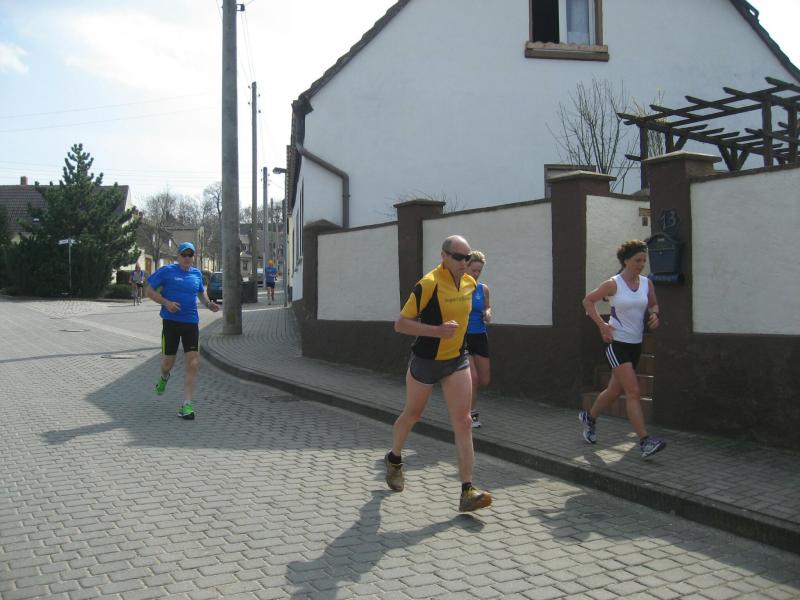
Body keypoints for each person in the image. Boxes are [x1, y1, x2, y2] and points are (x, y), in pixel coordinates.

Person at [385, 235, 492, 512]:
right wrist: (437, 331)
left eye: (467, 257)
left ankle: (467, 491)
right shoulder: (428, 284)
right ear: (444, 256)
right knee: (413, 414)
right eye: (458, 257)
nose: (464, 262)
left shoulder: (470, 283)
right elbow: (400, 324)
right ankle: (394, 459)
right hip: (426, 361)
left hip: (456, 360)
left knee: (464, 421)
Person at [579, 239, 666, 458]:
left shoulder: (647, 283)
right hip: (616, 344)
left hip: (635, 345)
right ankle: (645, 441)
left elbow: (653, 304)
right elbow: (588, 301)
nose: (641, 264)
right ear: (626, 261)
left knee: (614, 390)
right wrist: (602, 325)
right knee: (633, 391)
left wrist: (655, 315)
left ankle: (589, 417)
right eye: (637, 260)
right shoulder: (613, 284)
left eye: (644, 260)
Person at [146, 242, 220, 420]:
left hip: (191, 323)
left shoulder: (196, 274)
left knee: (193, 363)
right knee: (167, 364)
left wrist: (208, 304)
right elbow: (148, 290)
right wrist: (166, 303)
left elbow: (201, 293)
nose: (187, 258)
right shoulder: (167, 271)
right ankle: (164, 377)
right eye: (184, 255)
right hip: (171, 323)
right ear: (178, 256)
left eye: (190, 255)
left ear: (194, 257)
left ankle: (187, 405)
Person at [465, 251, 491, 429]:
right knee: (472, 378)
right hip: (463, 336)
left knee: (484, 380)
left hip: (480, 335)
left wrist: (487, 313)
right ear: (465, 267)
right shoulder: (458, 288)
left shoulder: (483, 289)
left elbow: (487, 307)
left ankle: (458, 394)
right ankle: (470, 415)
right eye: (473, 270)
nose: (476, 274)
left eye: (479, 271)